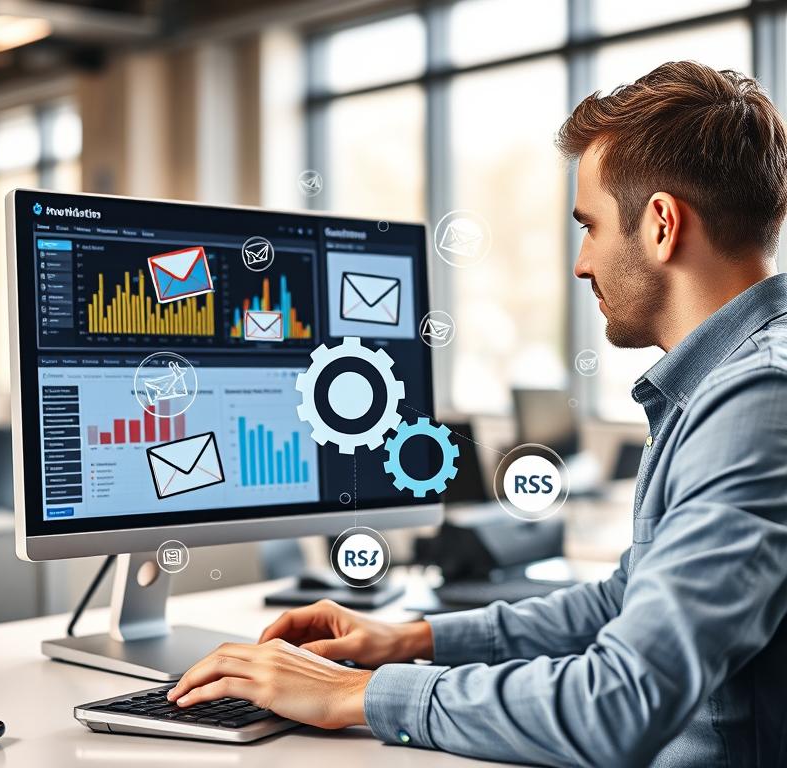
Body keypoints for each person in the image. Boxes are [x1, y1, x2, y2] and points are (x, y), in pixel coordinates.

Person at [164, 61, 787, 766]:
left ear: (662, 224)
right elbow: (627, 599)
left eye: (590, 227)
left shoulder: (754, 399)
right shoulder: (728, 383)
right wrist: (410, 639)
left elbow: (622, 701)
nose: (582, 265)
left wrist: (356, 695)